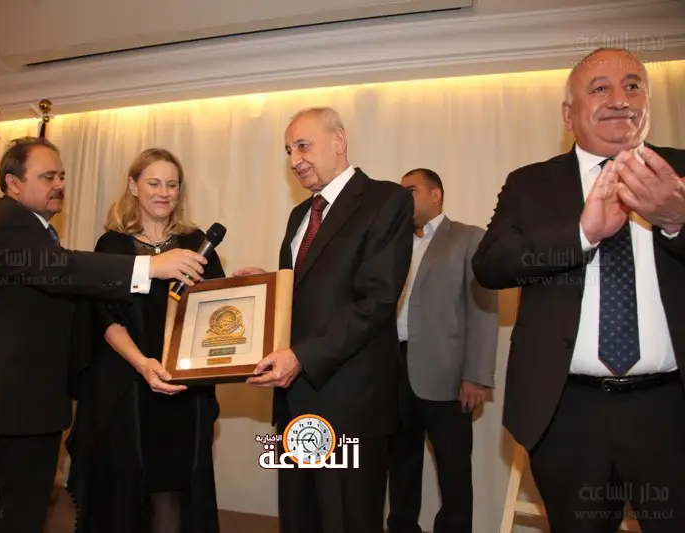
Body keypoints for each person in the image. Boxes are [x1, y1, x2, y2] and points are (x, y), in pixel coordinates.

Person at [472, 47, 685, 532]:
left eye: (633, 86)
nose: (619, 99)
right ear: (569, 115)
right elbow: (490, 264)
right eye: (600, 88)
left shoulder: (679, 175)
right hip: (567, 414)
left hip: (671, 409)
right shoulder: (530, 184)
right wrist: (582, 234)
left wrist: (677, 221)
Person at [0, 137, 208, 533]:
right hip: (7, 407)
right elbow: (62, 270)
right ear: (13, 183)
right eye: (47, 177)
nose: (59, 185)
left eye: (62, 176)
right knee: (5, 514)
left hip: (19, 406)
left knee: (8, 512)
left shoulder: (31, 228)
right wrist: (151, 267)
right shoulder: (9, 222)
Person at [233, 107, 414, 533]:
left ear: (339, 140)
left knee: (347, 520)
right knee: (299, 519)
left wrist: (301, 356)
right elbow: (311, 291)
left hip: (350, 403)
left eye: (303, 146)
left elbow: (376, 299)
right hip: (295, 399)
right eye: (288, 150)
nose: (294, 160)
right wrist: (267, 287)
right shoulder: (300, 214)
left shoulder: (386, 200)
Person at [66, 148, 224, 533]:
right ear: (134, 186)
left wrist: (240, 287)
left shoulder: (197, 242)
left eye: (172, 184)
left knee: (172, 491)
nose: (164, 192)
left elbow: (215, 313)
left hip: (181, 390)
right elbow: (104, 319)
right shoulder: (112, 246)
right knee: (122, 492)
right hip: (125, 388)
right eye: (154, 182)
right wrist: (142, 364)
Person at [387, 168, 499, 533]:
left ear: (436, 194)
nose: (403, 198)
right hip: (394, 369)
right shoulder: (393, 244)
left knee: (453, 468)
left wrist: (477, 375)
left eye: (411, 190)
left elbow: (483, 309)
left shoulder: (468, 238)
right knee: (401, 463)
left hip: (447, 376)